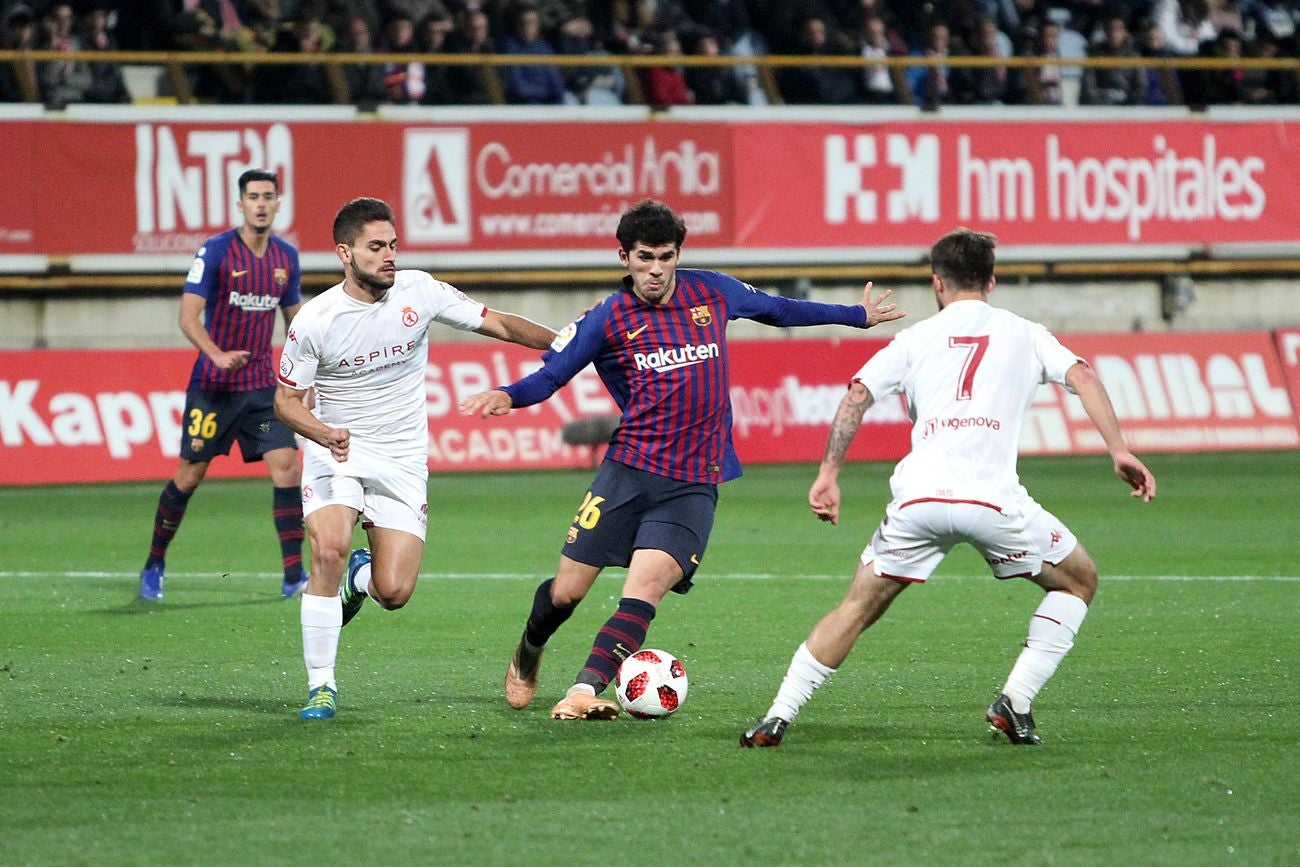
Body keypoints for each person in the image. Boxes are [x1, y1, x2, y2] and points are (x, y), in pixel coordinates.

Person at [459, 199, 906, 721]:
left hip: (694, 481)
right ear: (624, 256)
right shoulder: (606, 318)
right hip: (628, 473)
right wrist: (509, 396)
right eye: (644, 257)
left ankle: (583, 691)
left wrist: (855, 316)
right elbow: (552, 374)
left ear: (677, 256)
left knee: (645, 589)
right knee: (565, 593)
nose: (655, 269)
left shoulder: (711, 291)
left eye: (665, 257)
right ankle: (529, 649)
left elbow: (780, 310)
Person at [739, 228, 1156, 749]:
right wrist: (1118, 449)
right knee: (1079, 582)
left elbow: (857, 394)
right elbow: (1085, 376)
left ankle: (776, 717)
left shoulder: (913, 340)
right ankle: (1015, 700)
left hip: (920, 501)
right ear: (992, 280)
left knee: (856, 608)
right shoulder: (1026, 333)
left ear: (937, 283)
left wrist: (828, 473)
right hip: (993, 501)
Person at [273, 197, 556, 720]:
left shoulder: (419, 291)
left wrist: (568, 343)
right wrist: (322, 432)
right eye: (376, 247)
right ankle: (321, 686)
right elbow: (285, 402)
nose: (389, 256)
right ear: (345, 253)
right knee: (328, 550)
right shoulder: (316, 320)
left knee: (395, 591)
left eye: (393, 245)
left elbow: (499, 324)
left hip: (402, 458)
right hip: (336, 449)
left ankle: (363, 580)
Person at [138, 169, 307, 603]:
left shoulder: (286, 258)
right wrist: (215, 354)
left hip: (261, 392)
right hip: (213, 388)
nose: (262, 204)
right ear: (240, 204)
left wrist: (306, 371)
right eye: (253, 197)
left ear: (277, 203)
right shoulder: (215, 252)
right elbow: (187, 316)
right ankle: (155, 562)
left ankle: (294, 576)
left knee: (287, 466)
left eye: (268, 196)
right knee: (188, 477)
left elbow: (296, 324)